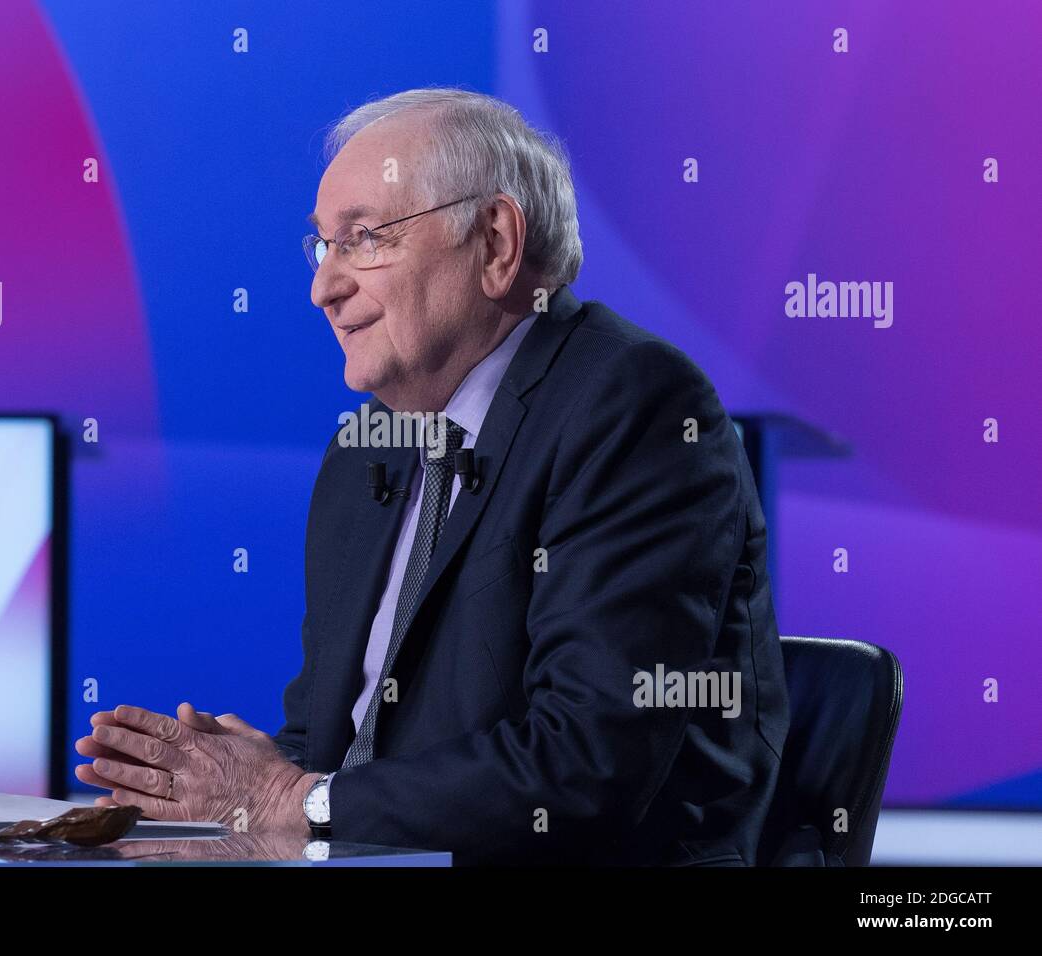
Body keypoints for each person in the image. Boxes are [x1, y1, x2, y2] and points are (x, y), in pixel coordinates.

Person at [77, 88, 789, 866]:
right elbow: (333, 747)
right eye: (322, 246)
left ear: (494, 244)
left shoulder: (630, 406)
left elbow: (588, 763)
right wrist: (230, 790)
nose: (325, 287)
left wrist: (293, 799)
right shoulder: (365, 452)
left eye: (364, 238)